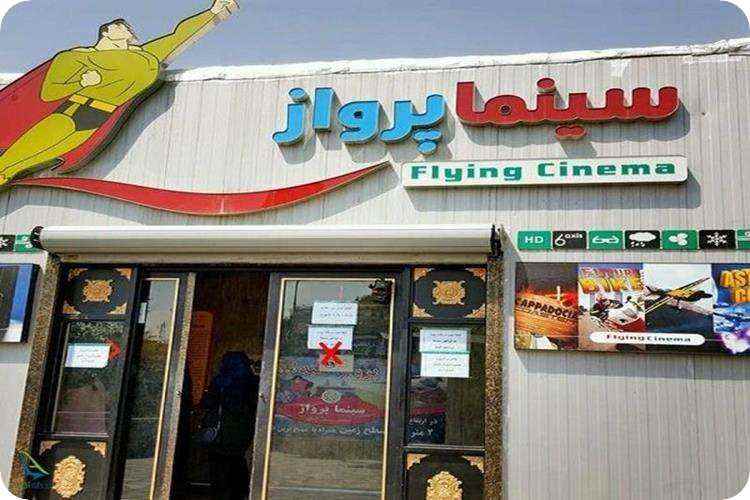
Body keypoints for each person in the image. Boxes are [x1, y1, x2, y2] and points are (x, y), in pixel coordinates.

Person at [0, 0, 238, 186]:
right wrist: (82, 82)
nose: (128, 29)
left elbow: (179, 36)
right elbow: (50, 92)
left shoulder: (144, 55)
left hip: (97, 121)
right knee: (10, 162)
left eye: (128, 27)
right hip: (72, 112)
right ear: (106, 31)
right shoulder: (76, 56)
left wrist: (212, 13)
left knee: (26, 163)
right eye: (121, 25)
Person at [200, 351, 259, 500]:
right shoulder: (252, 382)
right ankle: (240, 494)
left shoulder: (219, 381)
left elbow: (207, 403)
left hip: (219, 432)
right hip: (242, 432)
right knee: (237, 462)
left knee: (219, 467)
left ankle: (221, 494)